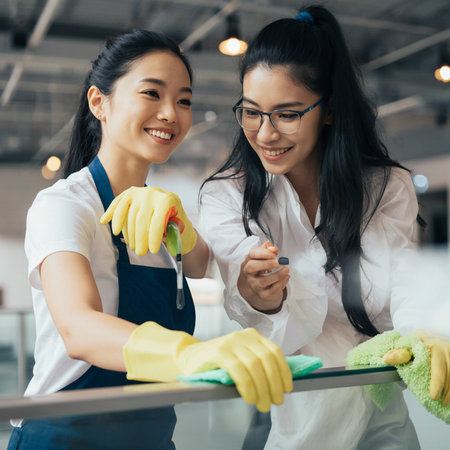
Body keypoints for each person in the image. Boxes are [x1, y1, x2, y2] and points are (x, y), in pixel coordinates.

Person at [8, 29, 292, 450]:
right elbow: (78, 328)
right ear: (98, 103)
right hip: (64, 438)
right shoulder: (64, 205)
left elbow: (199, 262)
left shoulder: (161, 212)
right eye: (151, 93)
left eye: (183, 100)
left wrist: (185, 225)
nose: (170, 114)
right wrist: (190, 354)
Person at [197, 5, 450, 449]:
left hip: (378, 406)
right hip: (288, 408)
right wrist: (258, 295)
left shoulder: (385, 187)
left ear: (328, 110)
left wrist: (427, 336)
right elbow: (253, 304)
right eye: (251, 112)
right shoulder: (226, 195)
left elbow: (399, 290)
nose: (265, 133)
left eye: (287, 114)